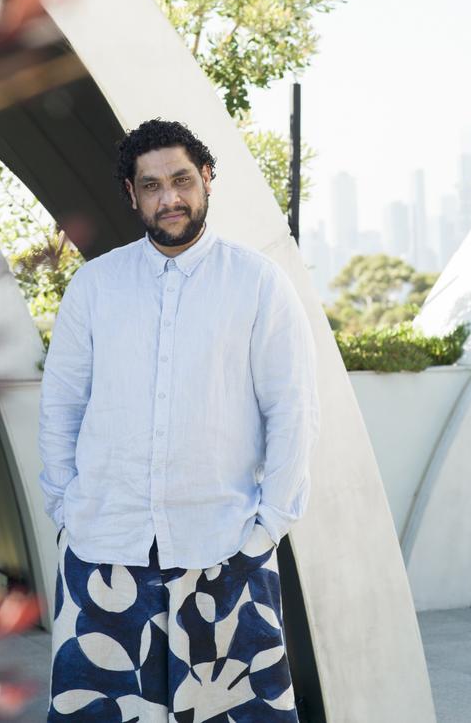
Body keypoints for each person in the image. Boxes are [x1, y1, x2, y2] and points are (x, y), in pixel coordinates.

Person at [38, 118, 320, 721]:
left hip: (226, 549)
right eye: (151, 186)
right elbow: (61, 405)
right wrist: (64, 507)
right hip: (103, 548)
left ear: (208, 180)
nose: (169, 198)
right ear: (131, 194)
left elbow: (292, 408)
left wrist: (267, 527)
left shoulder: (258, 283)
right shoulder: (95, 287)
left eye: (181, 180)